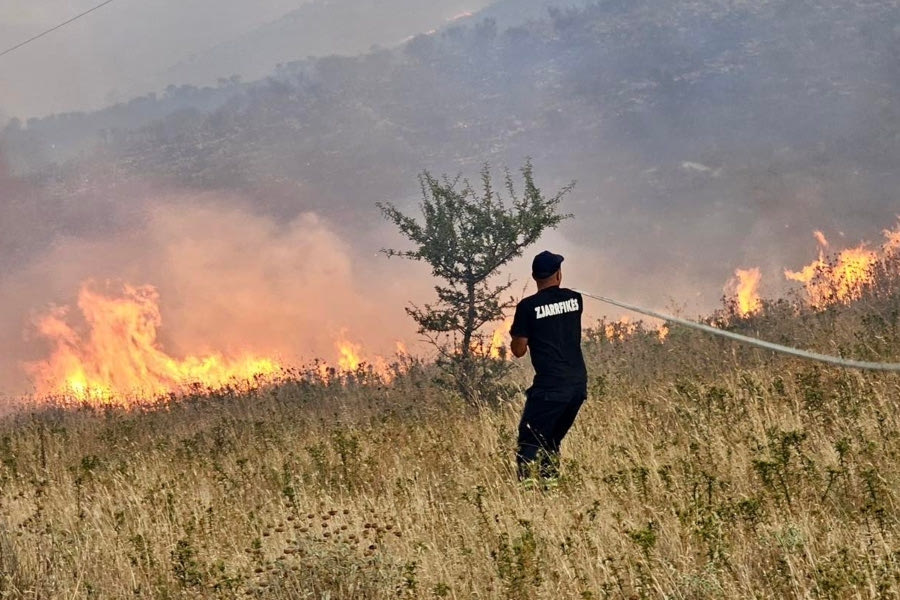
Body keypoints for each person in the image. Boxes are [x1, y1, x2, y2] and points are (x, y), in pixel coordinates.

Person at [509, 250, 587, 486]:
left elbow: (519, 350)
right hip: (577, 386)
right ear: (558, 274)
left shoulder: (527, 307)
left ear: (534, 277)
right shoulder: (576, 299)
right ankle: (549, 491)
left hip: (550, 387)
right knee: (551, 441)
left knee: (529, 442)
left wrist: (518, 333)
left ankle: (526, 493)